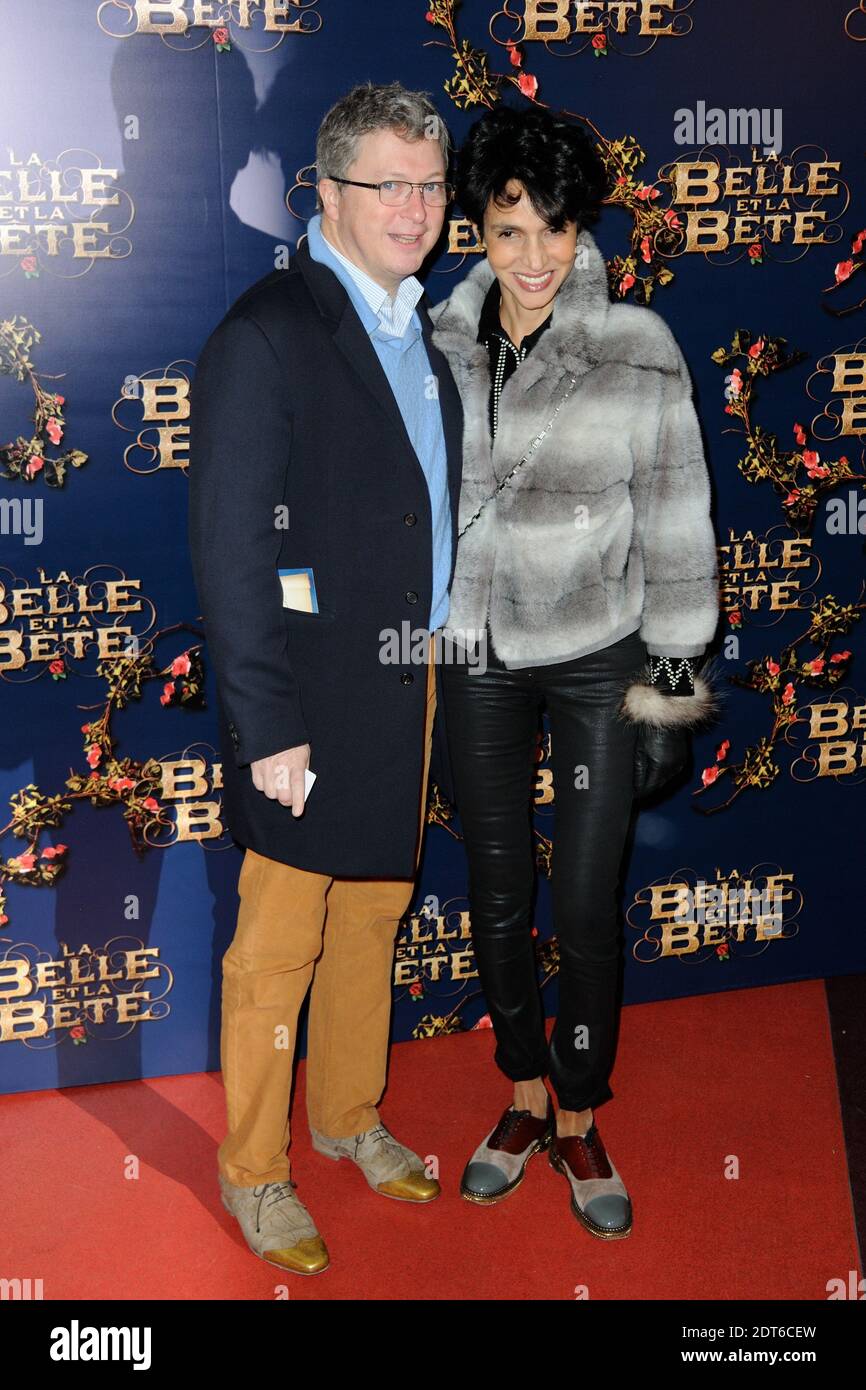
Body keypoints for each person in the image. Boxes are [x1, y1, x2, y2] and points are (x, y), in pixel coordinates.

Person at [429, 104, 720, 1239]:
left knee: (587, 901)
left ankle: (580, 1109)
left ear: (581, 225)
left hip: (598, 658)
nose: (535, 256)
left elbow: (677, 515)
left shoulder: (637, 345)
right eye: (508, 229)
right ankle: (518, 1093)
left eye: (554, 227)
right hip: (477, 658)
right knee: (497, 896)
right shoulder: (436, 343)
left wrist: (672, 681)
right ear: (477, 229)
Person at [188, 81, 464, 1275]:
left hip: (408, 683)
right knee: (277, 947)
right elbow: (232, 553)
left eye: (429, 183)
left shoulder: (425, 336)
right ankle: (253, 1171)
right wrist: (266, 725)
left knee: (372, 918)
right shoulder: (264, 333)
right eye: (386, 183)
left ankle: (348, 1114)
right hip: (303, 700)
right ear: (328, 192)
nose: (413, 207)